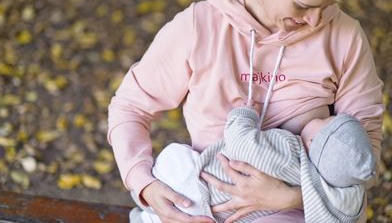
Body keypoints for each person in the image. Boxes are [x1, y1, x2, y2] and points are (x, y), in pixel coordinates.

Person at [107, 0, 384, 222]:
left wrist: (294, 197)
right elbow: (131, 107)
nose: (314, 20)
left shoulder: (345, 37)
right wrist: (145, 185)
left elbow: (362, 156)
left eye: (327, 6)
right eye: (302, 6)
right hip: (205, 202)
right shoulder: (198, 26)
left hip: (301, 213)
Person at [133, 105, 376, 223]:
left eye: (325, 119)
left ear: (314, 142)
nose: (322, 116)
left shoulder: (290, 150)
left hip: (197, 180)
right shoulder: (318, 189)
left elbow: (243, 145)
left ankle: (148, 206)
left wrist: (243, 115)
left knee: (176, 158)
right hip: (217, 214)